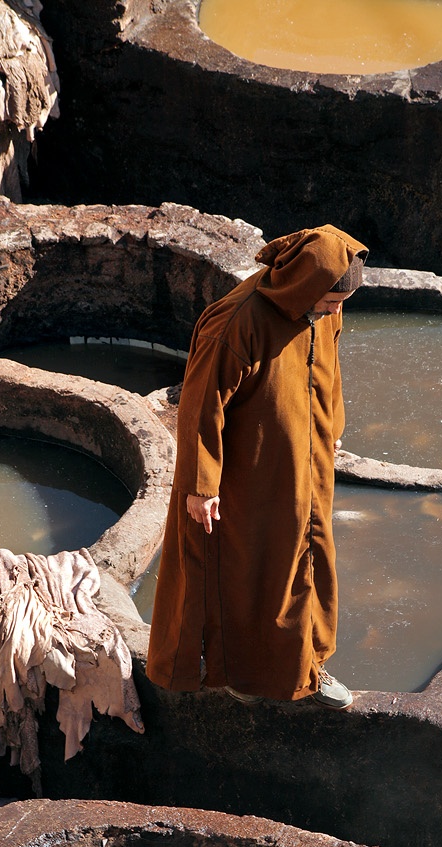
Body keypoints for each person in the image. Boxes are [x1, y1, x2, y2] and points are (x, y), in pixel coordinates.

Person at [146, 224, 368, 709]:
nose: (336, 311)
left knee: (310, 558)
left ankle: (309, 665)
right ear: (307, 286)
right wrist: (201, 485)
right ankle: (244, 674)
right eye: (330, 301)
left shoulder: (322, 309)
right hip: (251, 470)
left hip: (308, 462)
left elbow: (328, 367)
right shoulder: (237, 322)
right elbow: (200, 405)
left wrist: (333, 429)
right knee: (251, 569)